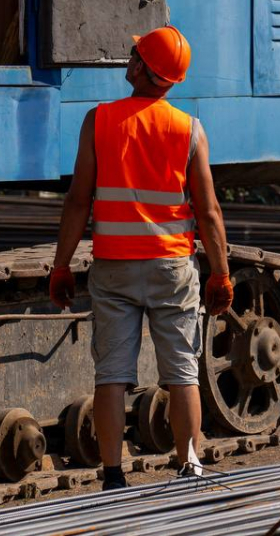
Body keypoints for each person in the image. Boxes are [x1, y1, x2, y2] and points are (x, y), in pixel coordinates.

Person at [48, 25, 235, 490]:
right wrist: (220, 273)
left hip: (114, 266)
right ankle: (190, 467)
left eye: (133, 54)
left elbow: (77, 200)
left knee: (111, 374)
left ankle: (112, 475)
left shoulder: (100, 120)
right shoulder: (189, 129)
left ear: (140, 69)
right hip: (171, 267)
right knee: (182, 372)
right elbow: (208, 211)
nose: (128, 59)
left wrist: (61, 264)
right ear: (171, 80)